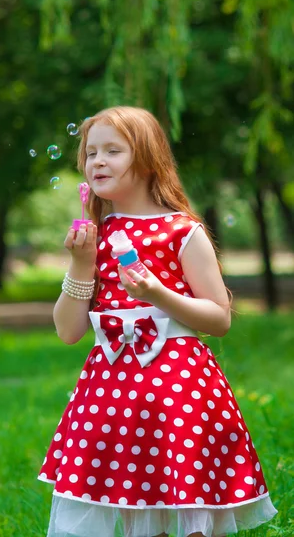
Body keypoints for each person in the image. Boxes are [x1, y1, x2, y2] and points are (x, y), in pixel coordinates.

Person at [38, 106, 278, 537]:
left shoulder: (182, 232)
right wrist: (80, 265)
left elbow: (219, 318)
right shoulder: (96, 235)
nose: (97, 161)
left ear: (148, 160)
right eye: (91, 153)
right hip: (110, 393)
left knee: (183, 492)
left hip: (177, 391)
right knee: (128, 495)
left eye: (113, 150)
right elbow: (68, 330)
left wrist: (156, 294)